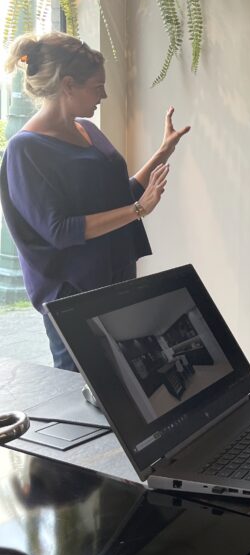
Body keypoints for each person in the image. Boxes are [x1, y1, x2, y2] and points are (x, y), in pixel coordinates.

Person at [0, 32, 189, 371]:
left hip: (117, 287)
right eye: (96, 86)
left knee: (136, 393)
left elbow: (119, 197)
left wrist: (163, 152)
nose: (104, 94)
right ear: (68, 85)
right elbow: (59, 230)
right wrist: (138, 210)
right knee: (85, 407)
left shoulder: (89, 129)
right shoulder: (25, 151)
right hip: (75, 301)